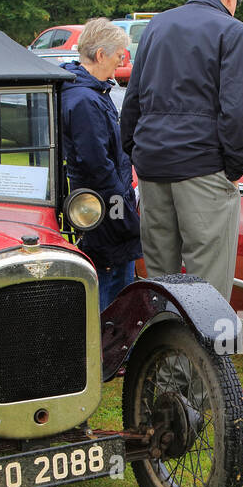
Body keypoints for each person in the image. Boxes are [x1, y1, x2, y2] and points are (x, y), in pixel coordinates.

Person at [120, 0, 243, 302]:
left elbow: (132, 97)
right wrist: (234, 167)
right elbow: (237, 109)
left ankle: (165, 353)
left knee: (162, 280)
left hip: (152, 163)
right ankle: (206, 356)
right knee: (207, 288)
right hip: (202, 165)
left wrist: (135, 149)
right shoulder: (232, 30)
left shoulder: (156, 26)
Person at [60, 19, 142, 309]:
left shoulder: (89, 92)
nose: (120, 63)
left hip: (105, 204)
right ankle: (108, 351)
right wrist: (126, 219)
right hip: (104, 211)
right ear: (100, 55)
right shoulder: (84, 99)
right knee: (112, 295)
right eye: (119, 56)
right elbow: (96, 165)